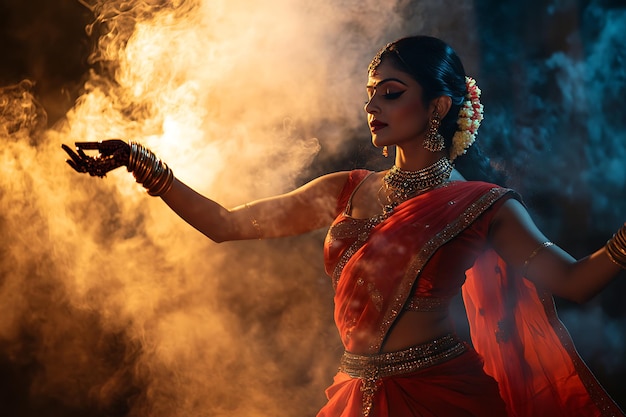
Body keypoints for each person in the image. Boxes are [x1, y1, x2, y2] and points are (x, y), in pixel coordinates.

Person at [62, 35, 625, 417]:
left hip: (442, 395)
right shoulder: (347, 188)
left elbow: (573, 282)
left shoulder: (481, 205)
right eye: (371, 94)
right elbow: (226, 224)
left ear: (438, 107)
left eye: (392, 92)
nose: (374, 105)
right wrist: (141, 161)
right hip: (354, 392)